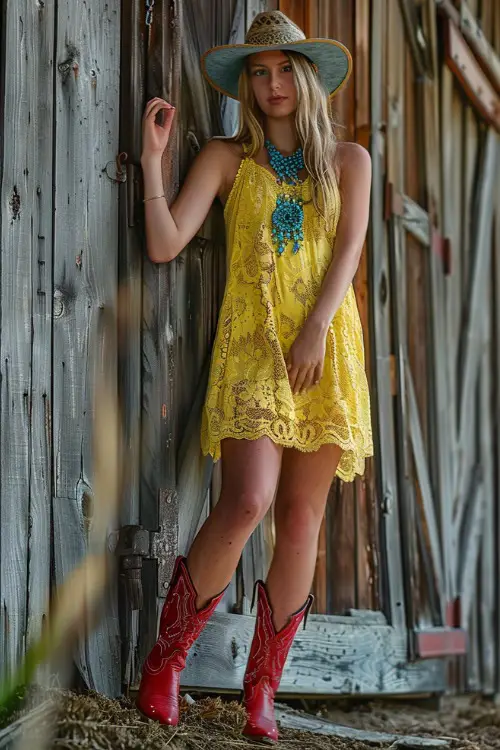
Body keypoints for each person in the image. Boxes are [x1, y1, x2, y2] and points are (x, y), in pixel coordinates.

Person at [136, 10, 373, 743]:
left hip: (324, 347)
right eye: (258, 72)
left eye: (282, 69)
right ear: (248, 84)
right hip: (252, 347)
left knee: (301, 520)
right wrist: (151, 162)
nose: (271, 83)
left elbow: (348, 255)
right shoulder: (225, 158)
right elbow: (166, 242)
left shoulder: (350, 162)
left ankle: (261, 687)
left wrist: (312, 331)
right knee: (248, 501)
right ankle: (166, 662)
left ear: (306, 77)